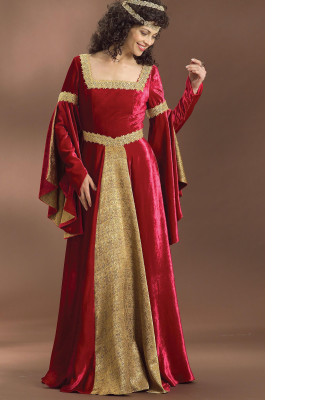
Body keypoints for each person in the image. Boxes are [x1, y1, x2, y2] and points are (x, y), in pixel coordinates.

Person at [38, 0, 206, 395]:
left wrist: (193, 90)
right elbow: (63, 125)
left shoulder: (149, 73)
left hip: (139, 174)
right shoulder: (81, 66)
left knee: (143, 264)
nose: (148, 41)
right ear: (123, 25)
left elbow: (165, 126)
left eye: (154, 36)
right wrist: (76, 170)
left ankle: (145, 357)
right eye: (144, 32)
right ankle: (91, 359)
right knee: (94, 263)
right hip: (93, 171)